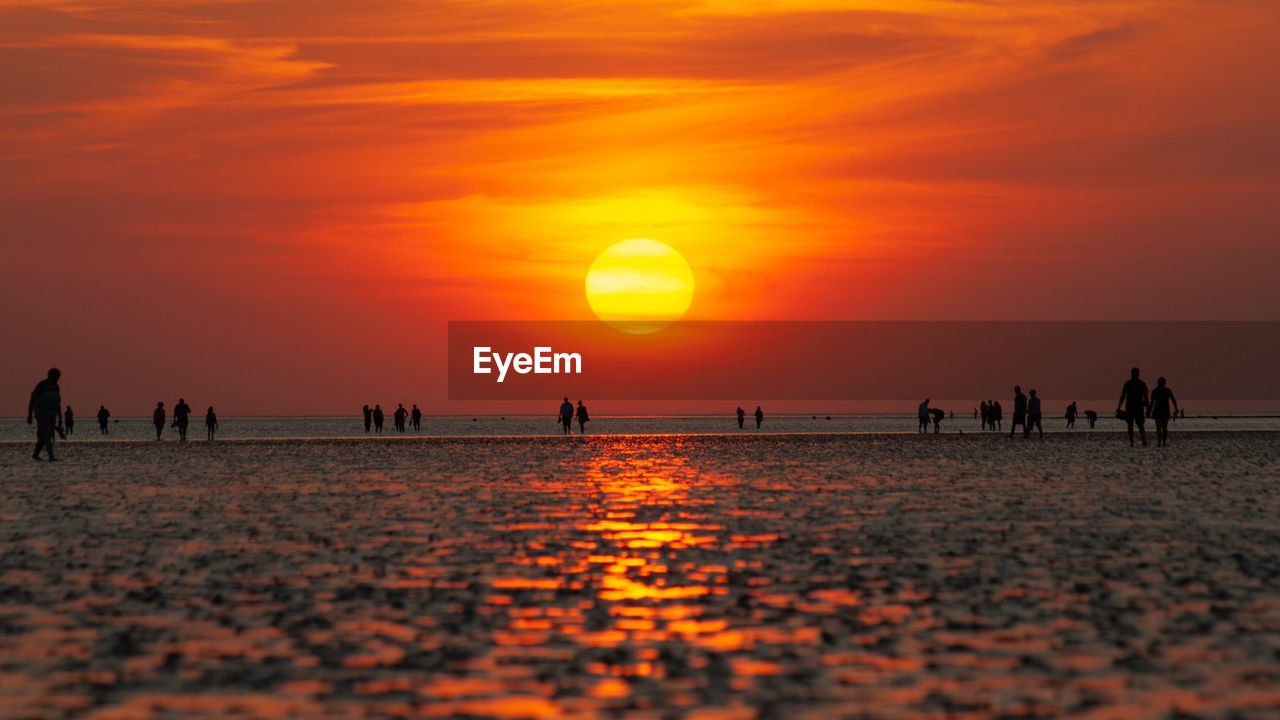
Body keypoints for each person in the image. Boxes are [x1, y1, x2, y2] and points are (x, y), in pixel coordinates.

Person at [27, 368, 64, 461]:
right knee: (46, 434)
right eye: (55, 377)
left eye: (58, 377)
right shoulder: (42, 385)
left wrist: (60, 418)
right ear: (50, 376)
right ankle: (51, 456)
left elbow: (58, 403)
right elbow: (33, 399)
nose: (57, 379)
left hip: (52, 414)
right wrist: (29, 415)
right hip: (42, 413)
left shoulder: (56, 387)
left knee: (44, 436)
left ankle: (35, 455)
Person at [1116, 367, 1149, 447]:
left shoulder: (1140, 384)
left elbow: (1146, 397)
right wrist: (1119, 406)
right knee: (1132, 424)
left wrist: (1148, 409)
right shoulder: (1131, 384)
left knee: (1138, 424)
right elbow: (1123, 396)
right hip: (1131, 406)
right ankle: (1133, 441)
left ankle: (1141, 440)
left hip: (1137, 406)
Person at [1150, 376, 1178, 447]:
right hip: (1164, 411)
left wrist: (1148, 411)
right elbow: (1173, 400)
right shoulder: (1167, 390)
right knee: (1164, 427)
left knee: (1159, 427)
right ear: (1164, 383)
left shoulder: (1156, 390)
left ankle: (1160, 441)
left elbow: (1152, 402)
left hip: (1159, 411)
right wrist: (1176, 408)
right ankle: (1163, 442)